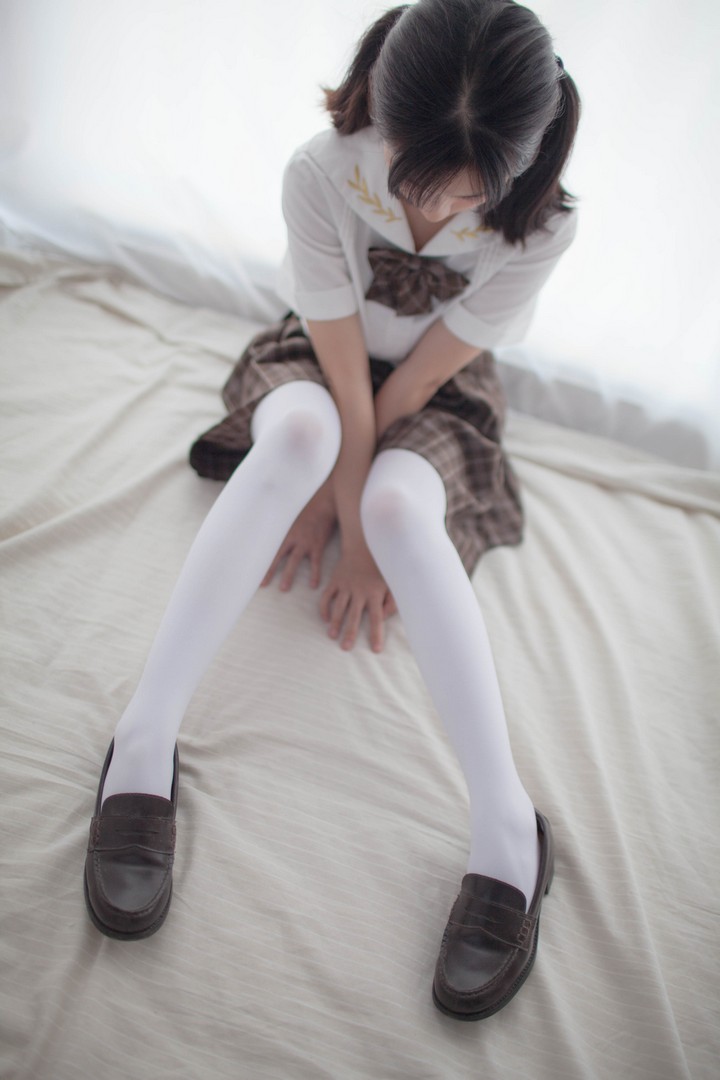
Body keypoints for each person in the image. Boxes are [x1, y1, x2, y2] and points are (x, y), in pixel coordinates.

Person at [84, 0, 580, 1021]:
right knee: (303, 436)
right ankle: (143, 737)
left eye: (470, 188)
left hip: (440, 390)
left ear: (524, 160)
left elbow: (418, 381)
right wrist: (322, 490)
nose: (438, 204)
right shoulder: (322, 171)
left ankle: (508, 829)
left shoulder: (544, 221)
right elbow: (346, 373)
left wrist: (358, 530)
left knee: (397, 514)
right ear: (381, 113)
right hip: (323, 358)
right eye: (417, 172)